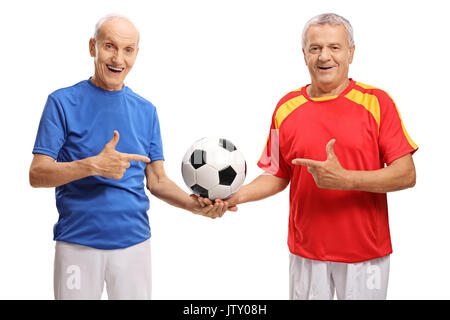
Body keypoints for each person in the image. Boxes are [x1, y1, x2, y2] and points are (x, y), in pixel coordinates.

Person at [211, 13, 418, 299]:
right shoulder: (285, 107)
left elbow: (406, 174)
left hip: (365, 253)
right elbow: (276, 172)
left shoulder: (377, 102)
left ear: (351, 53)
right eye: (315, 48)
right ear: (304, 54)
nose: (325, 57)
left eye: (335, 47)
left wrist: (346, 179)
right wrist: (235, 196)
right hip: (306, 252)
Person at [29, 14, 228, 300]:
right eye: (110, 46)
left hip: (135, 245)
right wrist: (92, 165)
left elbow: (158, 180)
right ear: (92, 47)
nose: (118, 59)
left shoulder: (146, 111)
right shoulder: (61, 102)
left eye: (128, 50)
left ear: (136, 53)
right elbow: (37, 174)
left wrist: (196, 206)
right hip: (77, 245)